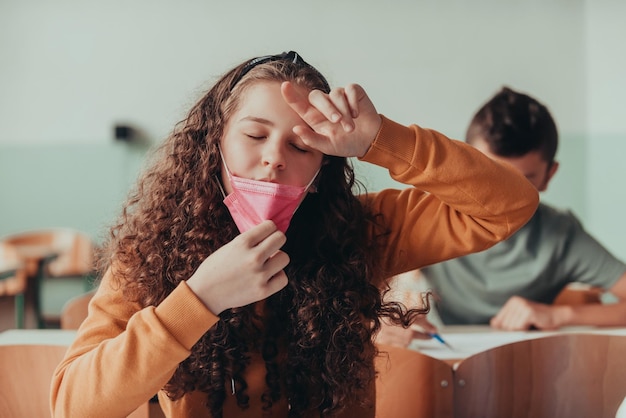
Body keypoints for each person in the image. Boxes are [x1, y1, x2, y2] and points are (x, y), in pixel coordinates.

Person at [50, 52, 538, 418]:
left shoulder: (361, 232)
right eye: (255, 136)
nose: (275, 159)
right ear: (214, 144)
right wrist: (199, 298)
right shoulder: (151, 250)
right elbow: (72, 405)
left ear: (324, 164)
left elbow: (509, 205)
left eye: (302, 144)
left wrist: (380, 140)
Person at [378, 86, 626, 347]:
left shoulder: (561, 234)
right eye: (489, 178)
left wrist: (559, 315)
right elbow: (356, 285)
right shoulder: (429, 218)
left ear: (549, 175)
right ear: (462, 162)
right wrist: (378, 319)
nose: (502, 200)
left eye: (521, 184)